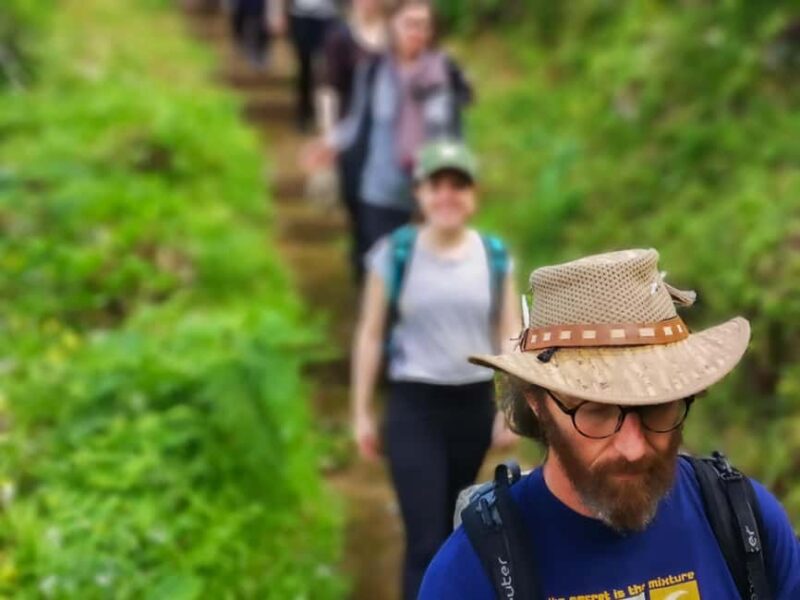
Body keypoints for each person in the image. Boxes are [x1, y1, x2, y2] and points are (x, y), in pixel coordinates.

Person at [419, 249, 800, 599]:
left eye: (655, 408)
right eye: (596, 412)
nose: (633, 447)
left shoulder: (745, 526)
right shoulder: (470, 575)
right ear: (537, 402)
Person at [351, 140, 520, 600]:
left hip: (473, 402)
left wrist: (510, 407)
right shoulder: (394, 253)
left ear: (473, 194)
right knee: (424, 540)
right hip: (413, 405)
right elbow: (370, 333)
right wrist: (362, 411)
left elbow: (510, 332)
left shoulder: (495, 255)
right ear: (420, 193)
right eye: (436, 185)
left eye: (458, 185)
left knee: (455, 533)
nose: (447, 195)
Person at [305, 0, 473, 279]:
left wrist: (460, 182)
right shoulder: (373, 72)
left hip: (431, 194)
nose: (416, 32)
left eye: (424, 26)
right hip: (381, 188)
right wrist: (329, 143)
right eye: (409, 24)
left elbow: (456, 133)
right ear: (392, 26)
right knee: (384, 272)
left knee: (423, 275)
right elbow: (357, 122)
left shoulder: (444, 73)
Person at [318, 0, 388, 280]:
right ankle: (363, 265)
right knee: (356, 202)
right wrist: (328, 136)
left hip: (388, 140)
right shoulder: (340, 38)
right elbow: (329, 90)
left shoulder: (394, 37)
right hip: (353, 139)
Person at [268, 0, 339, 131]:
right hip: (301, 16)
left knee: (326, 68)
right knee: (304, 68)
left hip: (326, 16)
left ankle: (325, 115)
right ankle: (303, 113)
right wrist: (279, 14)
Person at [229, 0, 270, 68]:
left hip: (261, 12)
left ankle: (261, 59)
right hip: (246, 12)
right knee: (250, 33)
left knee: (261, 36)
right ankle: (252, 59)